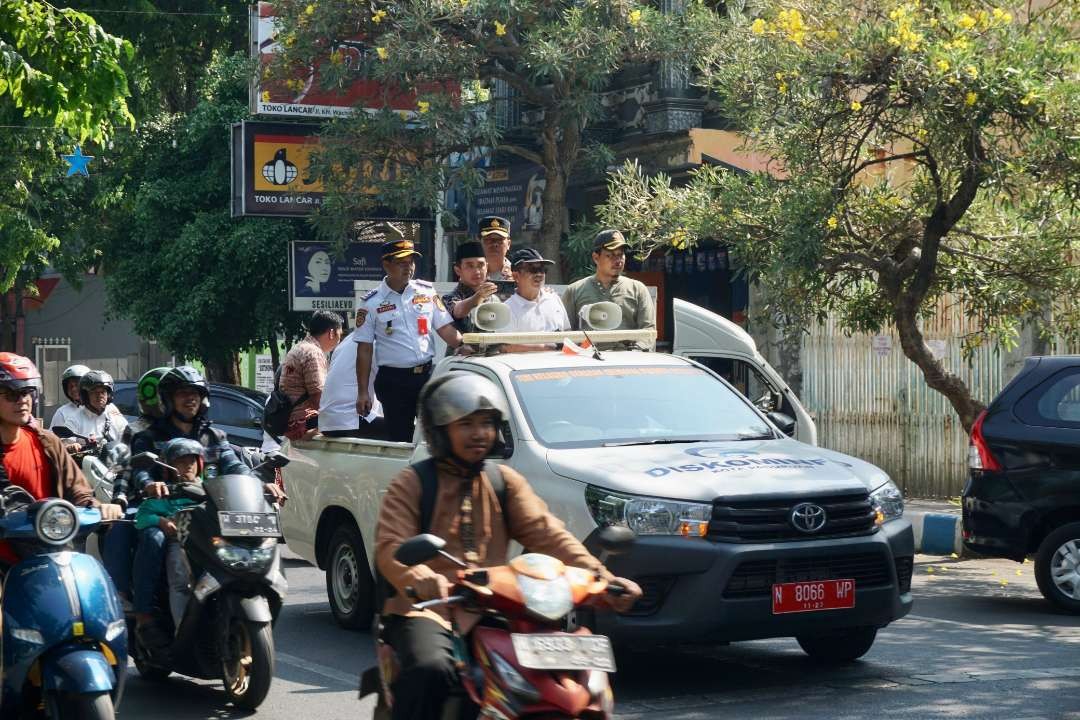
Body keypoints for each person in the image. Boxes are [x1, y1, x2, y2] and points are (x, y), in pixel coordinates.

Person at [374, 373, 642, 720]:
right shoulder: (412, 482)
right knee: (430, 670)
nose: (479, 433)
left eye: (486, 423)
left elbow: (548, 534)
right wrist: (419, 575)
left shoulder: (504, 481)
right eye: (466, 423)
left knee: (574, 675)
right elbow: (391, 545)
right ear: (440, 430)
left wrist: (603, 577)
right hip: (429, 608)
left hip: (500, 606)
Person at [128, 365, 283, 645]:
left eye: (195, 394)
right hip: (169, 512)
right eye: (182, 394)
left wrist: (260, 484)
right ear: (168, 399)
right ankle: (145, 616)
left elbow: (235, 467)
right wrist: (148, 484)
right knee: (153, 539)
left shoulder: (214, 437)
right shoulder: (150, 436)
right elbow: (139, 470)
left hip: (207, 512)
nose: (190, 399)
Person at [0, 353, 122, 569]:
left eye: (26, 392)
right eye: (10, 394)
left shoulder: (46, 442)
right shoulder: (63, 418)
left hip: (50, 557)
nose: (22, 400)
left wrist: (98, 508)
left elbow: (77, 489)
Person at [354, 230, 463, 442]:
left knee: (434, 438)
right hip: (394, 381)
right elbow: (364, 350)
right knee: (401, 439)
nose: (408, 267)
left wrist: (467, 344)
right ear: (386, 265)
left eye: (411, 261)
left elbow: (446, 329)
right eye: (401, 262)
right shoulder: (371, 302)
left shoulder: (426, 291)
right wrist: (362, 392)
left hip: (425, 376)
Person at [133, 437, 202, 631]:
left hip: (211, 543)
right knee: (181, 581)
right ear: (168, 466)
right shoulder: (164, 492)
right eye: (181, 460)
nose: (188, 465)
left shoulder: (210, 488)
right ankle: (184, 632)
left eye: (192, 460)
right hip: (181, 541)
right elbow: (142, 517)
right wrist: (161, 521)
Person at [562, 229, 656, 333]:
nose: (618, 261)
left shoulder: (637, 290)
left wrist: (635, 349)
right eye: (610, 255)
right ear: (596, 258)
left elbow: (649, 331)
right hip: (587, 349)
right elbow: (565, 333)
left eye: (620, 255)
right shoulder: (575, 291)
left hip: (627, 349)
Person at [319, 309, 385, 439]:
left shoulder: (346, 342)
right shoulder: (374, 342)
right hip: (350, 420)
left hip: (328, 422)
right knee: (404, 429)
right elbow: (389, 382)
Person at [280, 309, 343, 440]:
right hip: (302, 423)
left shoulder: (300, 347)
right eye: (339, 335)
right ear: (331, 333)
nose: (339, 341)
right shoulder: (313, 353)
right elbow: (318, 396)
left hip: (289, 420)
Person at [503, 247, 570, 351]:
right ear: (516, 276)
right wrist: (547, 348)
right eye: (532, 270)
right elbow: (506, 346)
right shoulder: (507, 309)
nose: (539, 274)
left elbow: (567, 331)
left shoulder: (554, 299)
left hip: (559, 365)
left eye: (542, 269)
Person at [441, 241, 498, 336]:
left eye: (481, 265)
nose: (477, 271)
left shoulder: (494, 298)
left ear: (487, 267)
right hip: (462, 350)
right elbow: (458, 311)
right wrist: (478, 296)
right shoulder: (449, 298)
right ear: (458, 270)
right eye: (470, 266)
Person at [64, 369, 128, 447]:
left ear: (109, 395)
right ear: (85, 396)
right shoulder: (74, 419)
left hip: (113, 458)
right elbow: (64, 443)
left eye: (103, 392)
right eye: (94, 392)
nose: (100, 396)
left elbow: (128, 439)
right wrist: (72, 446)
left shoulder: (115, 416)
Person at [49, 363, 91, 432]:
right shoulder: (62, 412)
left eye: (77, 385)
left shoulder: (105, 408)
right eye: (70, 386)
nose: (73, 389)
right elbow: (54, 439)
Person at [478, 215, 513, 281]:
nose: (494, 244)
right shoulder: (471, 275)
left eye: (499, 240)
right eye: (488, 239)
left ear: (508, 244)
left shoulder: (517, 274)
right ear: (480, 243)